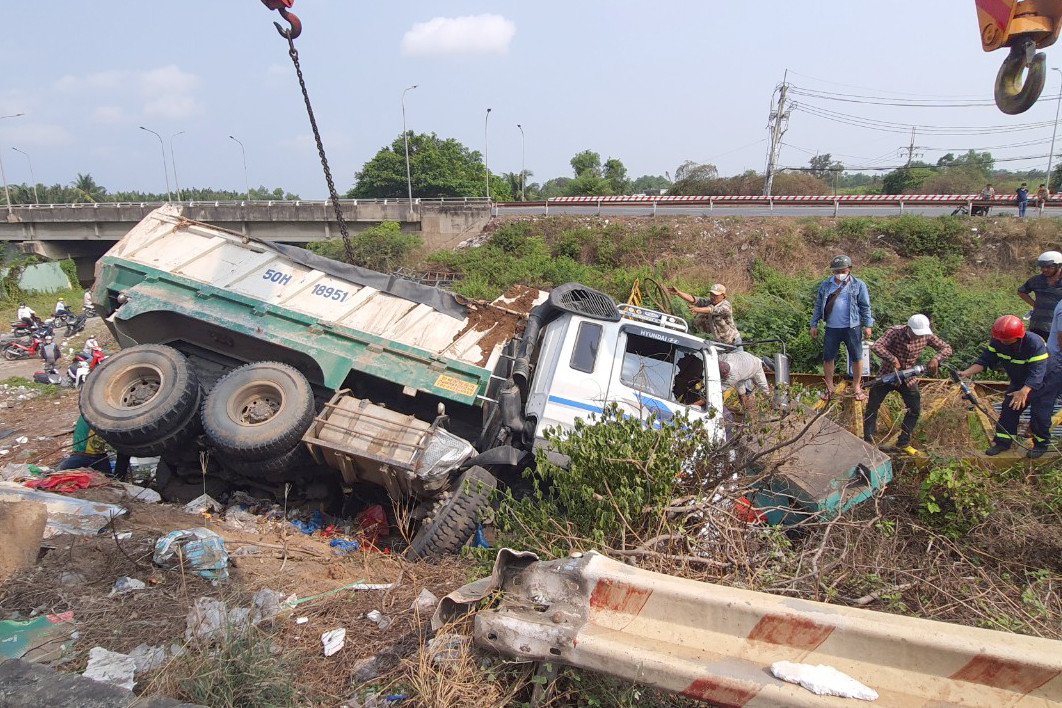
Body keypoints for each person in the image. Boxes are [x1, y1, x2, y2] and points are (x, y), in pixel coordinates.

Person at [957, 315, 1052, 458]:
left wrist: (1024, 391)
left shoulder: (1034, 343)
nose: (1002, 342)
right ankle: (1003, 442)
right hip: (1019, 381)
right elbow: (985, 361)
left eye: (1006, 340)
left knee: (1039, 415)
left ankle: (1041, 444)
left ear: (1019, 336)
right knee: (1009, 409)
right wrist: (965, 373)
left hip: (1043, 383)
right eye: (1000, 339)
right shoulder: (998, 342)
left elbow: (1038, 372)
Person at [863, 314, 953, 455]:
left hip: (908, 376)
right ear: (908, 328)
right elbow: (877, 346)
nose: (918, 337)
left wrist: (936, 359)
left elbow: (947, 348)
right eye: (916, 334)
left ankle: (903, 442)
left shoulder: (926, 335)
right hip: (888, 375)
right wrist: (893, 359)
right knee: (872, 407)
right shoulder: (894, 332)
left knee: (914, 409)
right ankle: (868, 441)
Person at [809, 255, 874, 401]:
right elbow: (819, 306)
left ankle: (857, 386)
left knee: (856, 357)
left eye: (843, 270)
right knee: (828, 357)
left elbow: (865, 306)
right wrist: (814, 324)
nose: (840, 273)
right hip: (832, 328)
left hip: (852, 327)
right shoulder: (826, 285)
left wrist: (868, 325)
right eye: (836, 271)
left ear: (849, 270)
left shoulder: (858, 284)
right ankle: (829, 387)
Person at [668, 283, 741, 346]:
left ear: (723, 296)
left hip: (733, 341)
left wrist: (697, 309)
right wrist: (679, 293)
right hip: (720, 342)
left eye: (715, 295)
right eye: (711, 294)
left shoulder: (726, 306)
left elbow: (711, 310)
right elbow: (695, 300)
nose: (712, 297)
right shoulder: (710, 302)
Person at [1017, 251, 1062, 340]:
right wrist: (1035, 305)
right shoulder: (1036, 280)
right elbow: (1021, 292)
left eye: (1049, 267)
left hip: (1057, 327)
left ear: (1059, 266)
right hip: (1037, 325)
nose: (1044, 269)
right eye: (1042, 267)